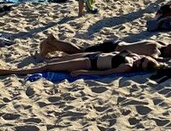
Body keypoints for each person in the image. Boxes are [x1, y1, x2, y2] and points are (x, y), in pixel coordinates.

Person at [39, 33, 171, 61]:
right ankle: (53, 41)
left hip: (116, 44)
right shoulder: (155, 49)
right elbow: (154, 59)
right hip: (112, 49)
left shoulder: (160, 43)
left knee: (82, 50)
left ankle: (51, 46)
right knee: (81, 51)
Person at [0, 53, 159, 78]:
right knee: (53, 61)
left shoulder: (127, 67)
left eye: (142, 64)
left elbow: (106, 73)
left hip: (88, 63)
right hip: (90, 55)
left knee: (47, 67)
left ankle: (11, 71)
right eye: (143, 59)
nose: (139, 61)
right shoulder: (134, 56)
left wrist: (83, 72)